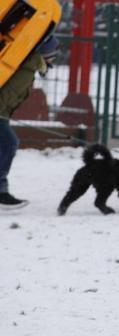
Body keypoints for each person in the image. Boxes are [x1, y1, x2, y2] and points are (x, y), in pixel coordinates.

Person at [0, 34, 59, 210]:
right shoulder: (28, 67)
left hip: (3, 114)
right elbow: (8, 93)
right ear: (45, 54)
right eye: (53, 55)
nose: (53, 61)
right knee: (9, 142)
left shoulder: (27, 64)